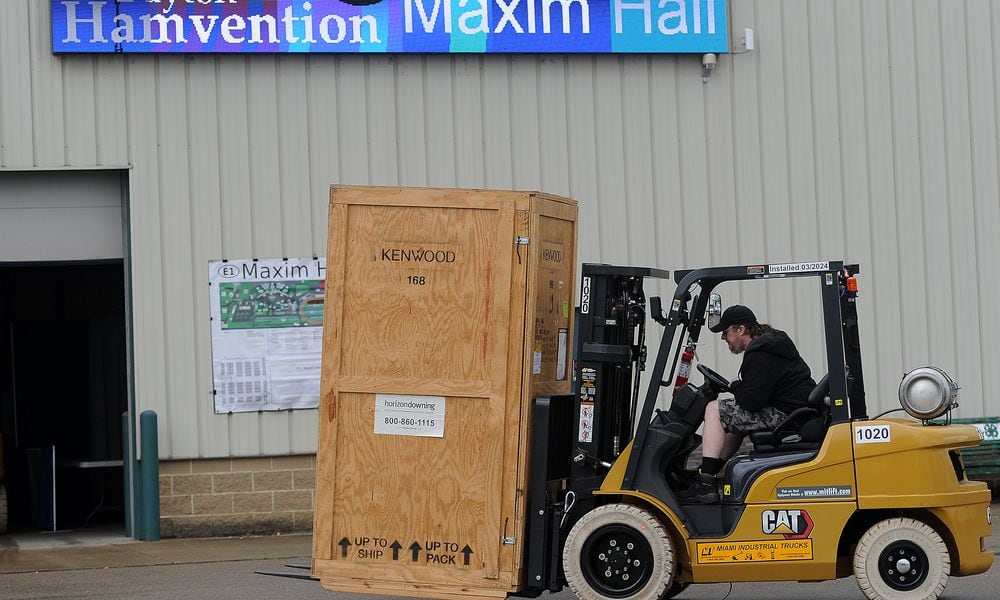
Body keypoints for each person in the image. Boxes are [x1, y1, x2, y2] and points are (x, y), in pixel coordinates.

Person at [679, 305, 816, 503]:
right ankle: (706, 473)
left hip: (786, 416)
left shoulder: (761, 353)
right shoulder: (771, 344)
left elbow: (751, 401)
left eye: (725, 333)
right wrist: (738, 387)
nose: (724, 339)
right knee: (734, 421)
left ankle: (706, 485)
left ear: (740, 330)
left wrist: (735, 385)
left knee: (714, 409)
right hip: (794, 411)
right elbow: (755, 394)